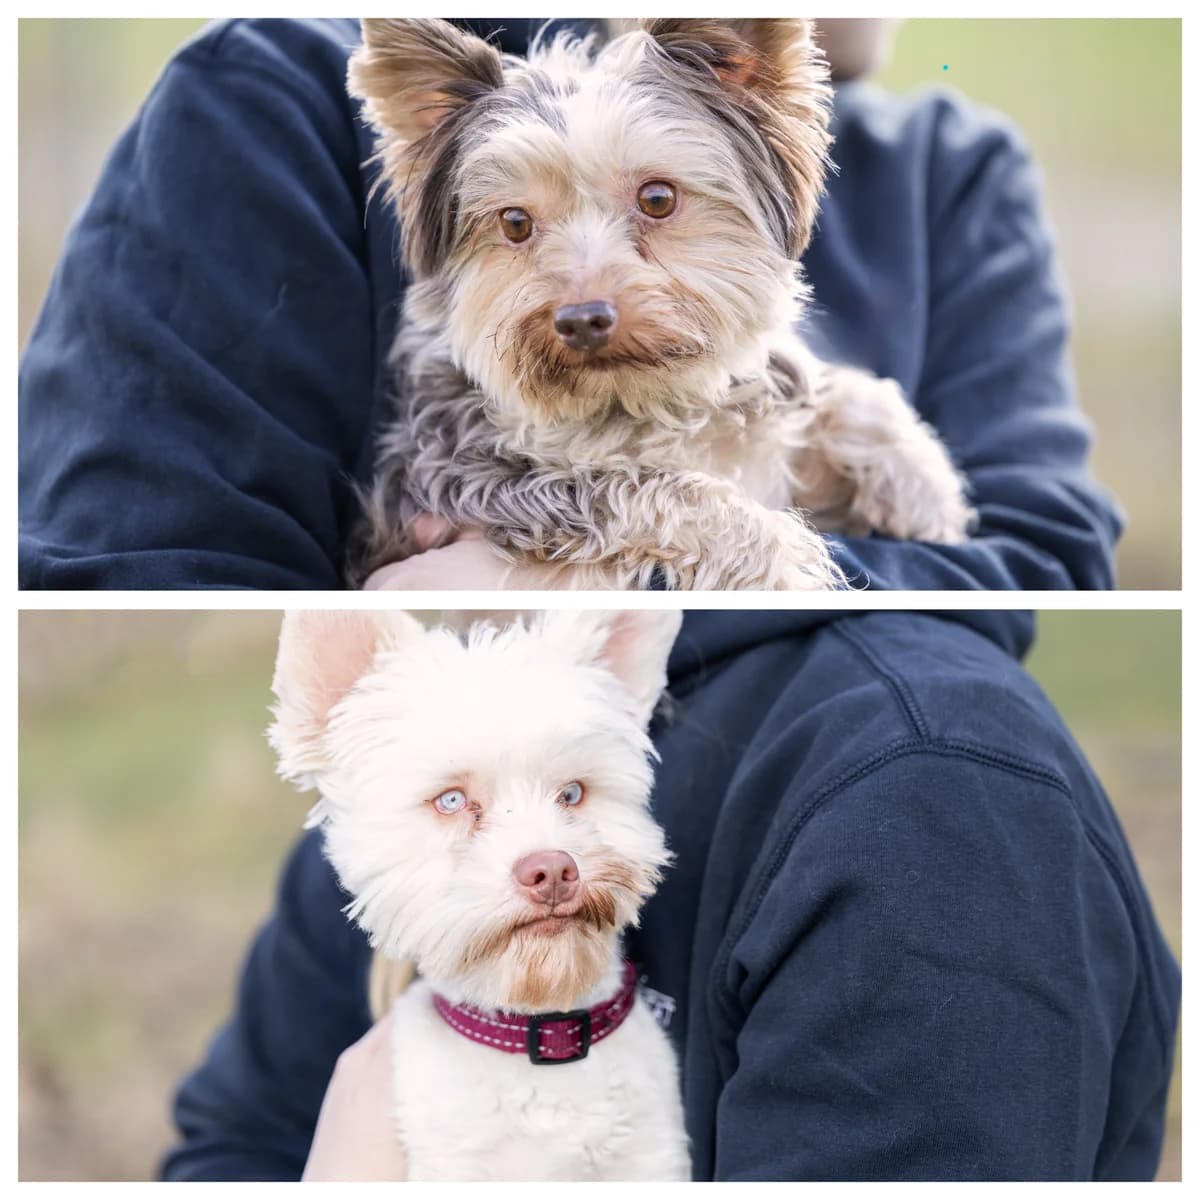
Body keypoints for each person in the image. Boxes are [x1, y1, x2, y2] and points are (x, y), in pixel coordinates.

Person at [19, 17, 1122, 591]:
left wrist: (626, 584)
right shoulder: (261, 103)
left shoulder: (956, 171)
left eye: (656, 204)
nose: (584, 295)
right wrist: (705, 543)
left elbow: (1048, 570)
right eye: (517, 228)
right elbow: (131, 580)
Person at [161, 607, 1180, 1181]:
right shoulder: (405, 745)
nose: (542, 855)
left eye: (572, 796)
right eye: (457, 805)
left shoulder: (922, 791)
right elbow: (229, 1150)